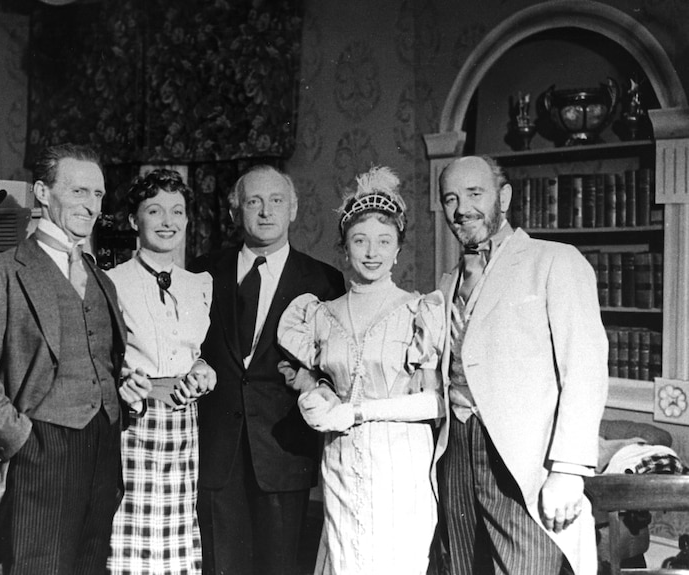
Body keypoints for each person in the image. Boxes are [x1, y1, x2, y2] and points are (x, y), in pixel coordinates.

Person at [0, 143, 151, 575]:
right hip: (41, 446)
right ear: (42, 192)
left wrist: (124, 390)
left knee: (91, 565)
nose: (91, 205)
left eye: (98, 194)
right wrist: (22, 440)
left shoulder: (101, 278)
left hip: (105, 444)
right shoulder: (1, 271)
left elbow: (103, 360)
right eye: (78, 192)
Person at [435, 155, 608, 575]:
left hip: (525, 464)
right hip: (455, 453)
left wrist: (567, 471)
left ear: (504, 197)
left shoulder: (555, 260)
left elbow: (584, 366)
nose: (461, 209)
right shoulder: (445, 282)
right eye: (450, 198)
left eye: (475, 193)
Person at [277, 166, 445, 575]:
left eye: (384, 241)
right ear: (344, 247)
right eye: (360, 240)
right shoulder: (317, 315)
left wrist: (357, 412)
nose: (372, 252)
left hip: (400, 460)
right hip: (340, 458)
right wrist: (314, 393)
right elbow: (317, 383)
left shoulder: (419, 311)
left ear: (398, 249)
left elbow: (435, 403)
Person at [190, 165, 345, 575]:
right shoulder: (202, 272)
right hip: (216, 453)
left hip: (283, 454)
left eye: (276, 201)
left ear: (293, 209)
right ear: (234, 211)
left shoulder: (324, 281)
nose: (265, 211)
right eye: (253, 201)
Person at [105, 169, 217, 575]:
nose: (168, 221)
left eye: (177, 211)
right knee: (132, 537)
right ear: (135, 221)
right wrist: (125, 385)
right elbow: (101, 358)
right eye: (155, 210)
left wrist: (204, 372)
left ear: (188, 219)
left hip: (185, 425)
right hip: (134, 424)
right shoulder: (111, 283)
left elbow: (201, 354)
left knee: (176, 537)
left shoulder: (200, 284)